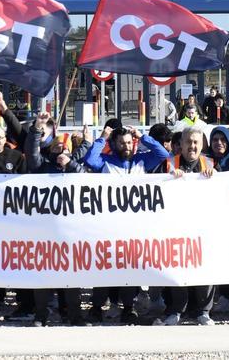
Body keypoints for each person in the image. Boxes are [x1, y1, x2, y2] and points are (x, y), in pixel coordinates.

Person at [84, 124, 171, 324]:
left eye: (129, 143)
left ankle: (129, 308)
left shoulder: (141, 160)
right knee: (104, 268)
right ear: (114, 144)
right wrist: (103, 138)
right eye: (122, 143)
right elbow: (89, 160)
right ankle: (96, 307)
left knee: (129, 269)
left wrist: (143, 136)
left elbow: (163, 154)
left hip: (133, 227)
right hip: (107, 226)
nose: (127, 146)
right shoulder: (105, 161)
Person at [23, 111, 88, 326]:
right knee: (43, 276)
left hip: (70, 232)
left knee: (71, 277)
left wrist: (70, 165)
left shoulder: (76, 169)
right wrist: (36, 129)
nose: (60, 151)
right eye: (56, 147)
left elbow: (87, 182)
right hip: (44, 231)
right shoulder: (42, 166)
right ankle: (41, 315)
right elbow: (31, 154)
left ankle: (74, 315)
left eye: (64, 148)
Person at [154, 126, 217, 326]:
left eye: (196, 142)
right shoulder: (168, 164)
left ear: (202, 145)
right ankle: (176, 310)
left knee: (204, 268)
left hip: (203, 227)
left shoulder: (210, 164)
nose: (192, 146)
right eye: (188, 142)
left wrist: (216, 177)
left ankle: (204, 312)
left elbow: (223, 190)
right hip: (175, 227)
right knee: (177, 268)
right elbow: (151, 188)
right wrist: (167, 179)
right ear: (180, 144)